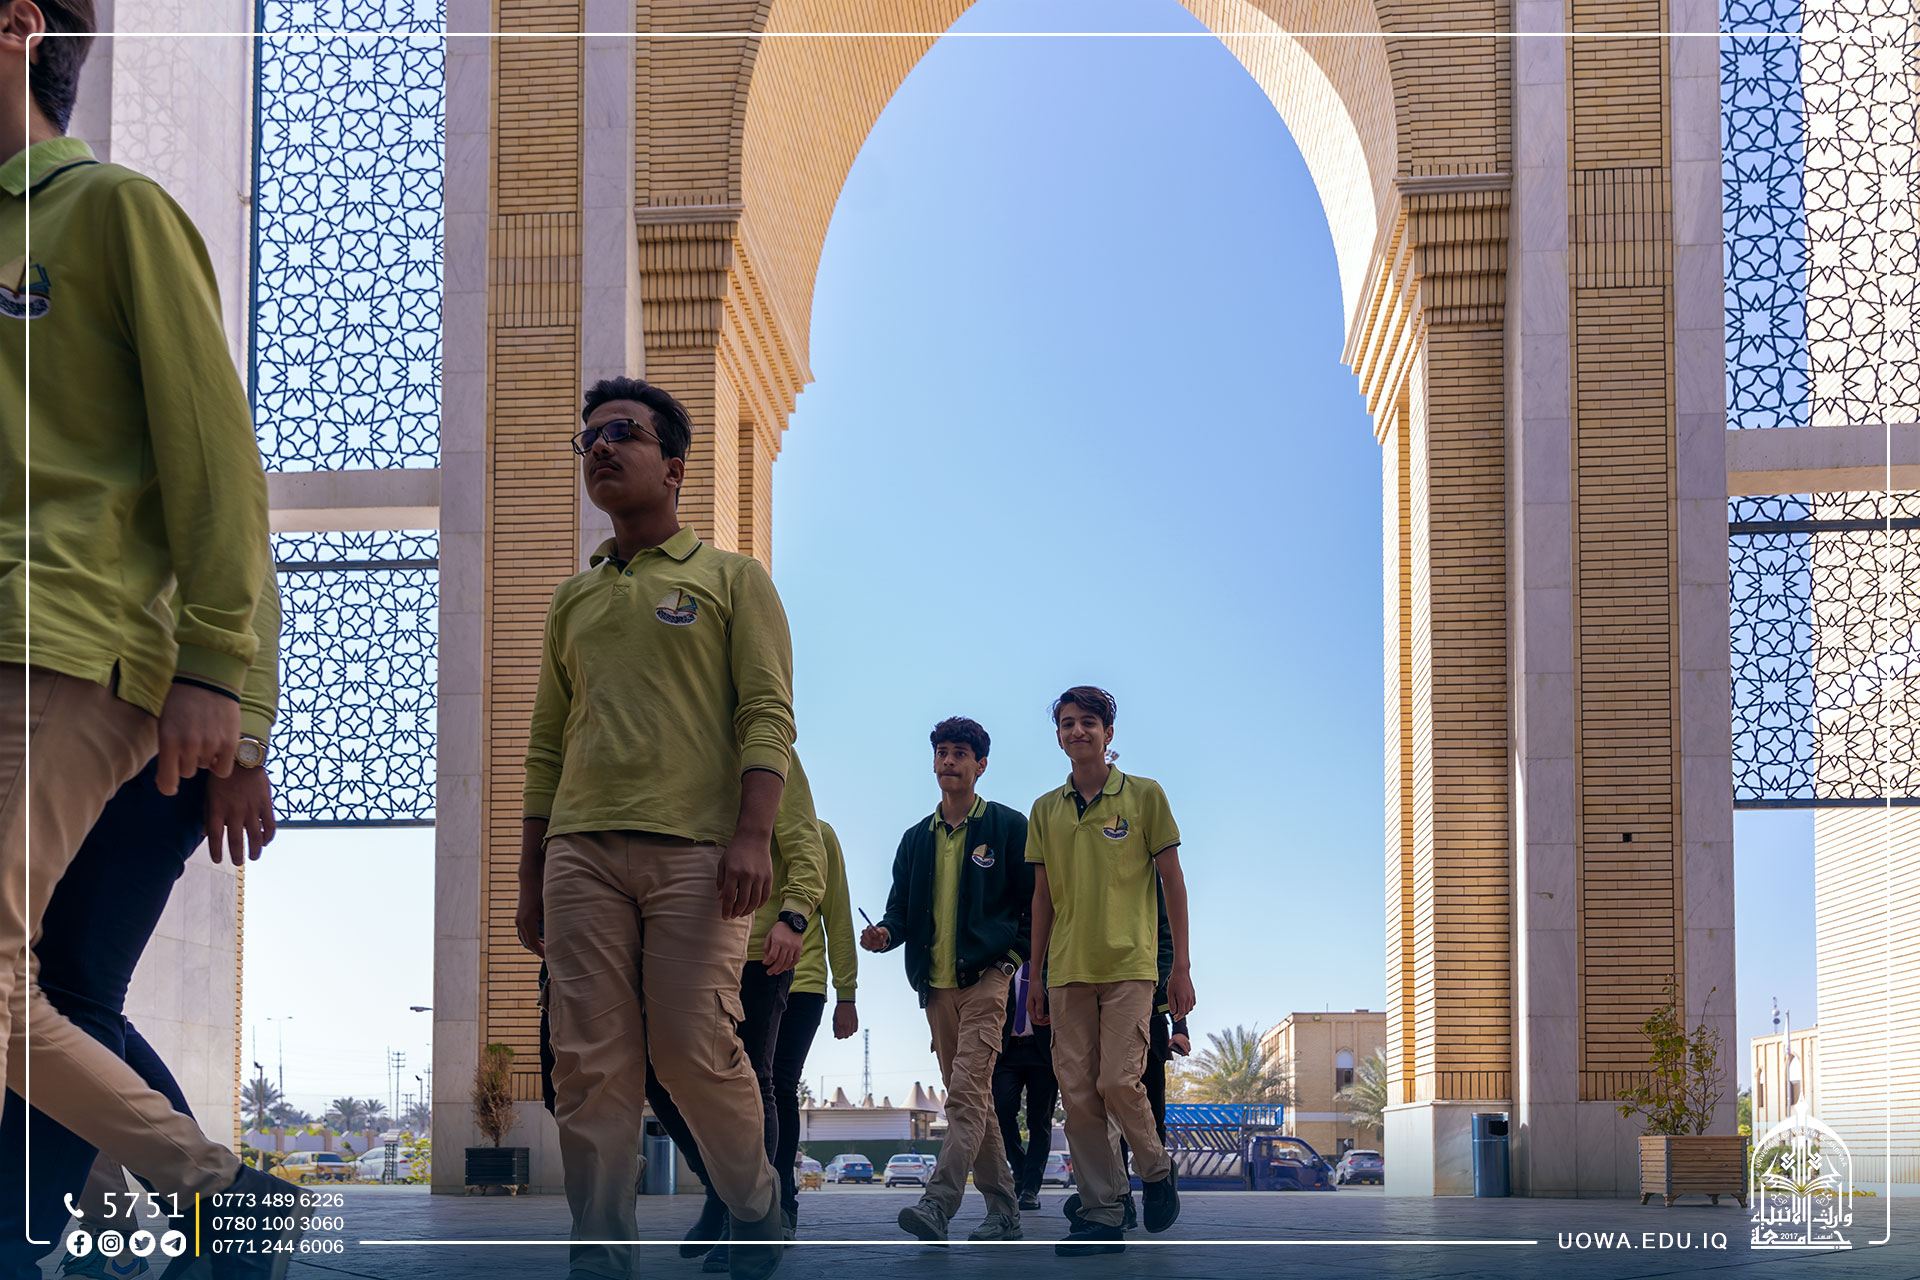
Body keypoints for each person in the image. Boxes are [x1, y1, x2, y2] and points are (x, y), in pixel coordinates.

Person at [1, 3, 303, 1273]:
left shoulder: (113, 213)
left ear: (20, 27)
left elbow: (219, 473)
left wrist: (233, 696)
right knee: (42, 990)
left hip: (94, 662)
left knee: (56, 984)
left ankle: (210, 1196)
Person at [517, 376, 794, 1280]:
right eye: (588, 438)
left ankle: (755, 1205)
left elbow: (766, 714)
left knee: (691, 1049)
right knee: (590, 1062)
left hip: (699, 856)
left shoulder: (732, 580)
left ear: (673, 467)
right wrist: (529, 876)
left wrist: (753, 836)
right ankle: (600, 1253)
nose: (600, 447)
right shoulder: (573, 599)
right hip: (579, 853)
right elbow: (546, 747)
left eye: (623, 433)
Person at [2, 567, 281, 1280]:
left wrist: (244, 743)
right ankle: (213, 1210)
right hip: (68, 701)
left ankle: (21, 1241)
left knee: (70, 992)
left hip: (149, 722)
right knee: (48, 996)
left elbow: (239, 561)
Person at [1026, 687, 1194, 1257]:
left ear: (1108, 734)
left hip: (1130, 967)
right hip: (1067, 971)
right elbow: (1042, 898)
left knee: (1118, 1082)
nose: (1078, 731)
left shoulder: (1145, 795)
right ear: (1058, 737)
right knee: (1077, 1097)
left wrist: (1181, 968)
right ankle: (1103, 1212)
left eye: (1089, 722)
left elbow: (1173, 882)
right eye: (1067, 723)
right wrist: (1035, 974)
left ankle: (1156, 1169)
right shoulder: (1045, 810)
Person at [647, 752, 824, 1274]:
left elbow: (807, 846)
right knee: (661, 1077)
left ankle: (750, 1218)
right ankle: (719, 1190)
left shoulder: (769, 751)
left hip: (760, 950)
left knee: (755, 1080)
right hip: (686, 944)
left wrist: (794, 919)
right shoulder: (681, 740)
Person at [861, 717, 1030, 1244]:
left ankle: (937, 1204)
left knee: (963, 1096)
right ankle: (1004, 1212)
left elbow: (1035, 905)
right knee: (974, 1101)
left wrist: (1010, 962)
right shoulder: (915, 839)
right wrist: (885, 934)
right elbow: (900, 911)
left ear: (981, 765)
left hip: (988, 981)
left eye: (960, 753)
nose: (949, 760)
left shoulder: (1008, 826)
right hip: (934, 989)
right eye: (942, 752)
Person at [768, 817, 856, 1237]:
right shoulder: (726, 822)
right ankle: (739, 1199)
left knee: (778, 1085)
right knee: (737, 1091)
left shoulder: (820, 836)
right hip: (736, 978)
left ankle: (782, 1201)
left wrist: (847, 994)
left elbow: (838, 917)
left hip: (801, 986)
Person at [991, 960, 1055, 1212]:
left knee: (1039, 1122)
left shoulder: (1051, 960)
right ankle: (1019, 1171)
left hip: (1043, 1052)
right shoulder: (1005, 958)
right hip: (1007, 1051)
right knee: (1001, 1111)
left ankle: (1030, 1188)